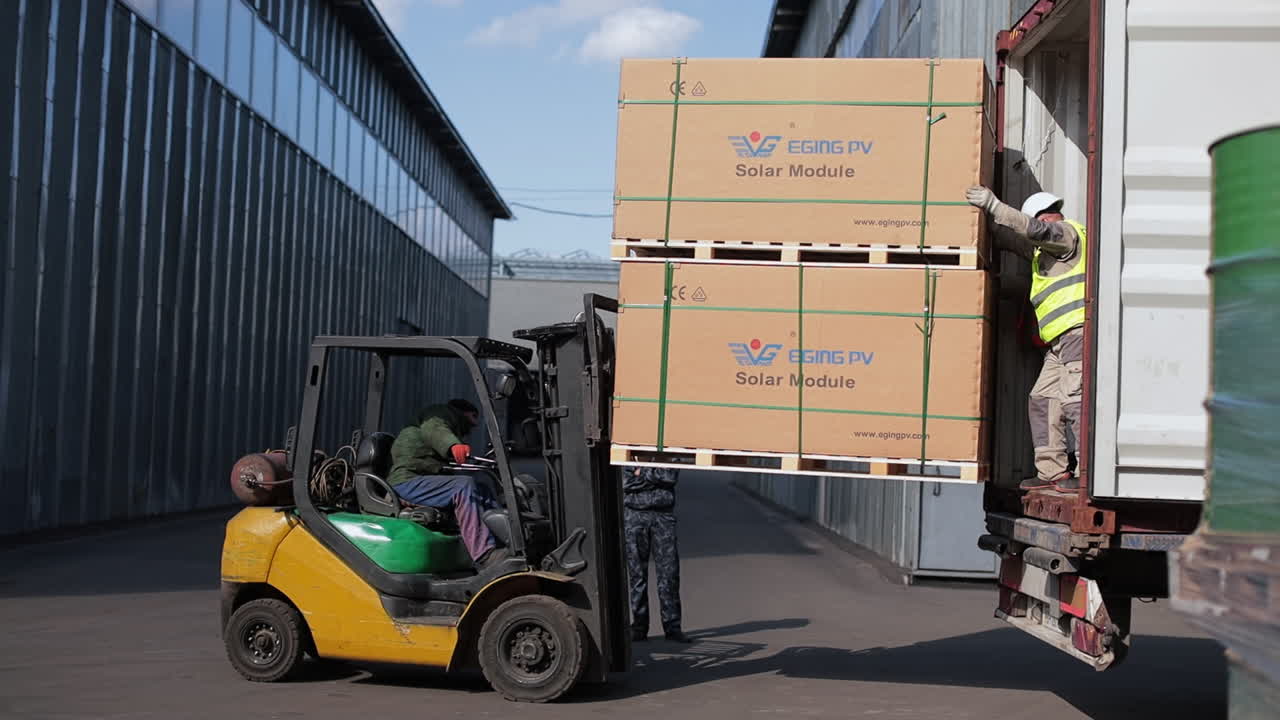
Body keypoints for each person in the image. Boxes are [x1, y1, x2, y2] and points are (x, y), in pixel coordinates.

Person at [966, 186, 1087, 492]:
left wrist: (994, 205)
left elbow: (1032, 230)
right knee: (1042, 399)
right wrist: (983, 223)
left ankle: (1088, 474)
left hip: (1077, 333)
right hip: (1058, 343)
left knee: (1075, 400)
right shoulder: (1042, 252)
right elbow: (1015, 240)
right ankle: (1053, 472)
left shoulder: (1065, 236)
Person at [387, 399, 507, 569]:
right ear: (462, 412)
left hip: (421, 480)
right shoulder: (440, 413)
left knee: (481, 489)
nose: (474, 424)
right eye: (473, 417)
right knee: (463, 485)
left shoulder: (448, 427)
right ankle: (484, 554)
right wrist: (453, 445)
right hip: (407, 481)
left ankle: (504, 541)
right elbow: (434, 429)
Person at [623, 465, 691, 643]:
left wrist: (641, 473)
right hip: (634, 516)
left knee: (669, 575)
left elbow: (670, 476)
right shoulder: (630, 449)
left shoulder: (666, 449)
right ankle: (639, 627)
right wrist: (655, 475)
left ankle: (673, 627)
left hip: (663, 516)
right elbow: (625, 482)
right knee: (637, 575)